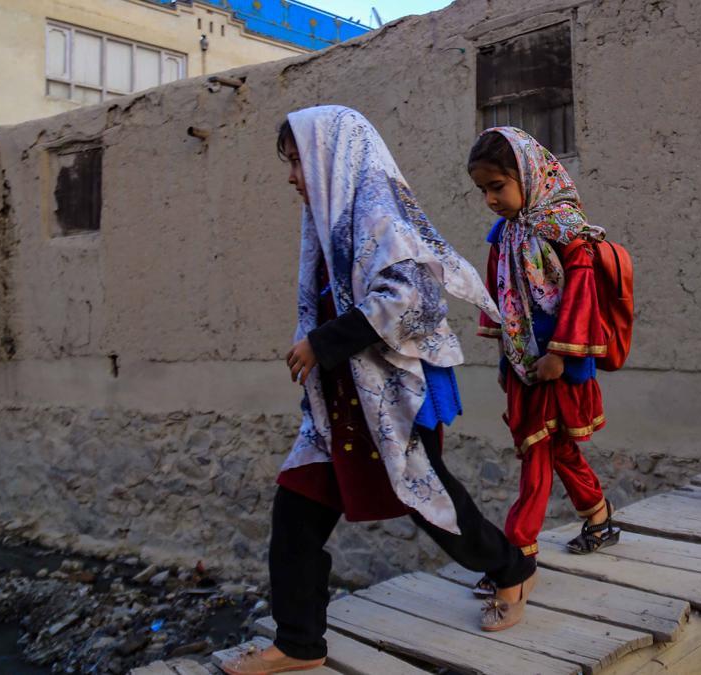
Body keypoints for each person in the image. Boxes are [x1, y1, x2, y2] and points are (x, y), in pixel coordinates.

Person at [221, 106, 538, 675]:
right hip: (340, 404)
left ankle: (511, 569)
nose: (293, 175)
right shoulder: (328, 218)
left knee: (431, 503)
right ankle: (298, 644)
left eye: (298, 162)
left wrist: (323, 342)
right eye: (290, 163)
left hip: (392, 395)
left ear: (330, 156)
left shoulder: (376, 214)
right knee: (295, 512)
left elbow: (414, 296)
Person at [468, 127, 619, 592]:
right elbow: (498, 299)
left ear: (529, 175)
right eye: (483, 190)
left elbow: (583, 293)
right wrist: (503, 361)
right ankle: (598, 515)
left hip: (557, 364)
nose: (491, 199)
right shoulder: (504, 235)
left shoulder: (567, 230)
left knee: (536, 453)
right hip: (523, 366)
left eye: (498, 186)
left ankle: (518, 555)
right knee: (558, 449)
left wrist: (559, 353)